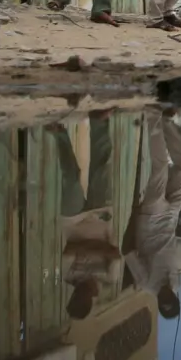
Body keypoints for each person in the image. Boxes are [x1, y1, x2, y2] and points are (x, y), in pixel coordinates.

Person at [48, 111, 122, 320]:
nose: (78, 293)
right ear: (89, 300)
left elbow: (72, 248)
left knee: (70, 179)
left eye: (74, 297)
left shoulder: (68, 276)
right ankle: (99, 122)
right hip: (101, 219)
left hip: (73, 221)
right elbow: (115, 253)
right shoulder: (109, 278)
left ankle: (59, 134)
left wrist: (96, 249)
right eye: (81, 298)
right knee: (101, 167)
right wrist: (90, 248)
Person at [126, 110, 181, 320]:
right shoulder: (176, 283)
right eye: (170, 298)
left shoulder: (146, 283)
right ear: (175, 297)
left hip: (150, 220)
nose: (166, 294)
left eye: (162, 299)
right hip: (170, 219)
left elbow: (127, 251)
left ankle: (153, 115)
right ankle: (167, 122)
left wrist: (134, 213)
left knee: (161, 168)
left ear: (158, 300)